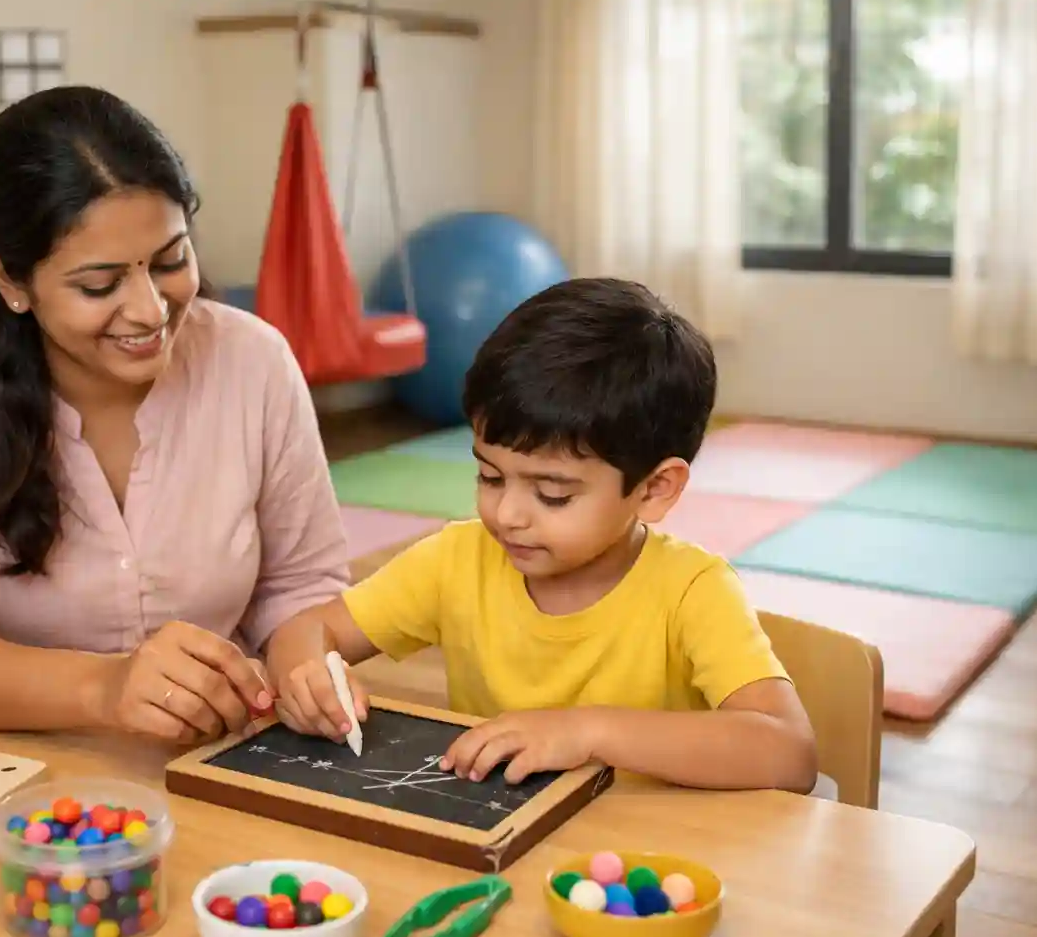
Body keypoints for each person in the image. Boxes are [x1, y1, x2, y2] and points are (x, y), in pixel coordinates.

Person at [0, 86, 352, 745]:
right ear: (10, 281)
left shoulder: (252, 359)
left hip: (217, 758)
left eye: (171, 261)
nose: (151, 311)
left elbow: (302, 585)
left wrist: (306, 663)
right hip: (9, 765)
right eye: (99, 286)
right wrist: (106, 687)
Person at [263, 278, 819, 793]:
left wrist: (589, 732)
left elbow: (789, 753)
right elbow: (307, 630)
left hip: (640, 868)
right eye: (489, 475)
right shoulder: (457, 560)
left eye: (552, 495)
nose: (506, 514)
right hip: (506, 844)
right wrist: (307, 676)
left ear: (654, 489)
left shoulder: (692, 590)